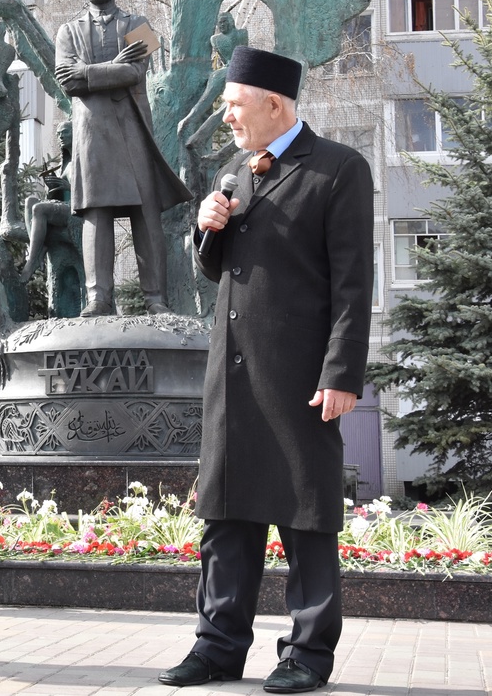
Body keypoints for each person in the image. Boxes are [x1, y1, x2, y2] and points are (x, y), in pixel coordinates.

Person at [160, 46, 374, 693]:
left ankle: (307, 652)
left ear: (274, 104)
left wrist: (341, 373)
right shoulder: (237, 171)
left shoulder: (338, 169)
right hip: (233, 380)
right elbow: (217, 269)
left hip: (302, 380)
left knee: (307, 516)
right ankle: (218, 646)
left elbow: (354, 283)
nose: (226, 115)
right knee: (227, 516)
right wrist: (208, 228)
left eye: (234, 103)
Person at [54, 0, 193, 316]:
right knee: (95, 213)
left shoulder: (140, 25)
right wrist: (111, 67)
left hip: (133, 126)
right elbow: (66, 81)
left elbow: (135, 72)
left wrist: (86, 71)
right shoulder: (67, 32)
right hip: (91, 131)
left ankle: (155, 298)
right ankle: (99, 298)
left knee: (144, 212)